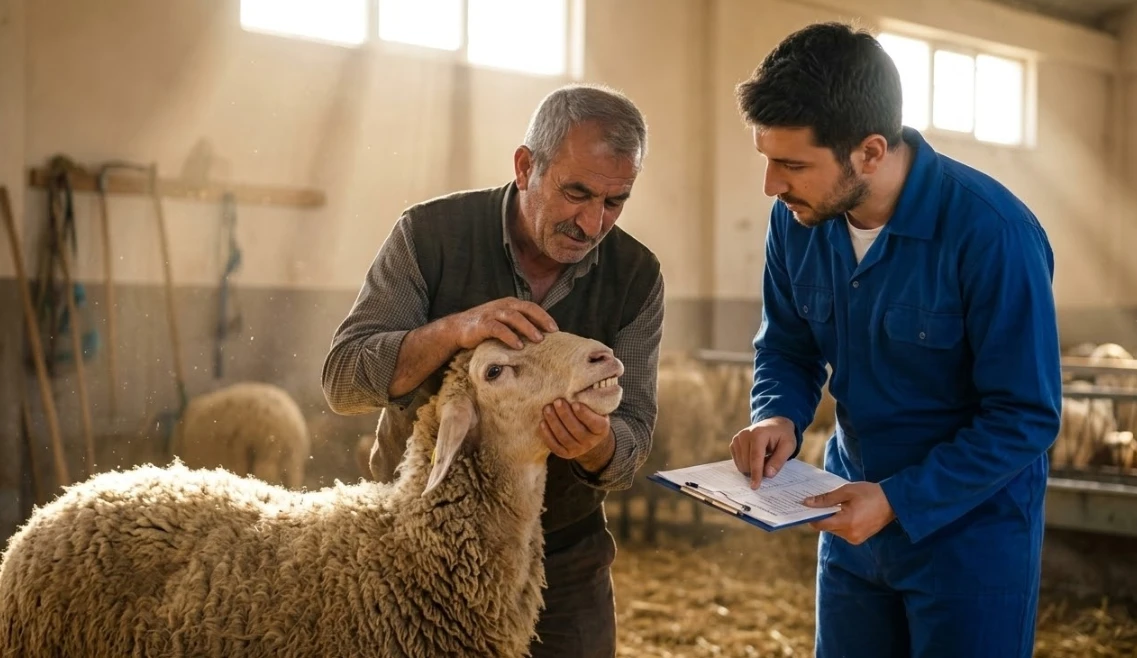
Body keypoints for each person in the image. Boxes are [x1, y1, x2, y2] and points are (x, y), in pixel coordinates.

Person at [728, 22, 1063, 658]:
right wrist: (777, 414)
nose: (772, 185)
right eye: (767, 159)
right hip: (850, 520)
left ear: (870, 152)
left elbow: (1025, 416)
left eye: (792, 165)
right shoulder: (796, 221)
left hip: (969, 537)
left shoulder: (993, 233)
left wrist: (898, 500)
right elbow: (787, 346)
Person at [321, 82, 665, 657]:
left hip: (560, 552)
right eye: (576, 192)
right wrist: (453, 330)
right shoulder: (429, 236)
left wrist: (596, 447)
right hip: (412, 545)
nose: (591, 223)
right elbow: (343, 381)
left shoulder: (636, 276)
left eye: (615, 201)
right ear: (526, 166)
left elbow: (632, 436)